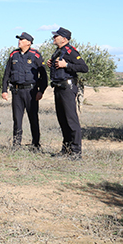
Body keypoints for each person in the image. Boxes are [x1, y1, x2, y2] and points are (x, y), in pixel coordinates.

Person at [1, 32, 48, 150]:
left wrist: (41, 91)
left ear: (28, 42)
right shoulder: (14, 54)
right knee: (17, 119)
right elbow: (7, 73)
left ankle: (36, 144)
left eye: (22, 39)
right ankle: (16, 144)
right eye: (19, 39)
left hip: (31, 92)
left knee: (33, 119)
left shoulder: (35, 55)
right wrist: (4, 90)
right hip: (16, 92)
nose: (19, 41)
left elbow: (43, 76)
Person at [47, 27, 88, 160]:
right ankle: (66, 149)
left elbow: (83, 67)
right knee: (62, 120)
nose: (53, 38)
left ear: (64, 39)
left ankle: (76, 152)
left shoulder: (71, 51)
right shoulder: (58, 51)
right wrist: (51, 64)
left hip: (67, 88)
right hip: (58, 88)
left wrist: (67, 65)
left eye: (56, 36)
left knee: (71, 120)